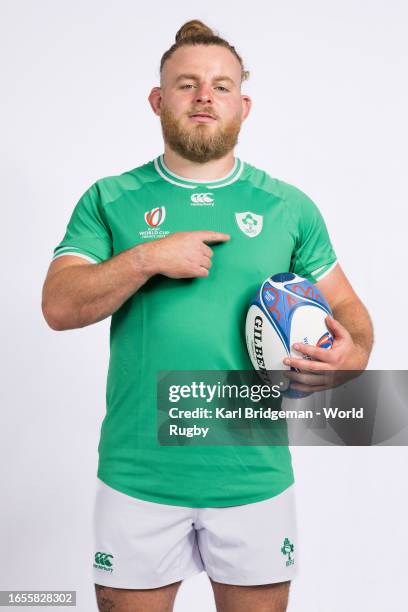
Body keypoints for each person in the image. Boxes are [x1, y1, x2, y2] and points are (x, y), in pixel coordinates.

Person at [41, 19, 374, 612]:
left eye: (221, 86)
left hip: (252, 473)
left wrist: (353, 354)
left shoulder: (288, 206)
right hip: (138, 474)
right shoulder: (110, 198)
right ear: (157, 99)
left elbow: (348, 308)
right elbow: (59, 306)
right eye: (186, 83)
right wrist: (146, 257)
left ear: (243, 106)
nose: (203, 97)